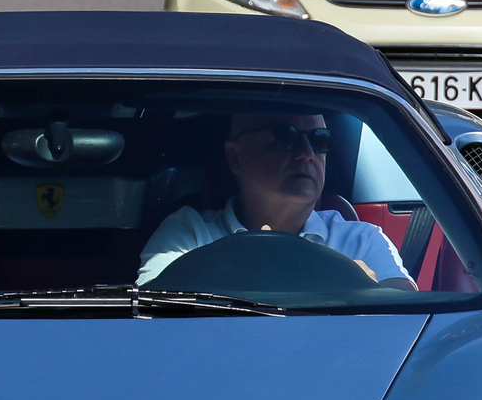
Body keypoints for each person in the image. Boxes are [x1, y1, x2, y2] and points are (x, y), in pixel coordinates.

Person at [136, 112, 412, 288]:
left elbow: (406, 311)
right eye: (286, 137)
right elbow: (153, 314)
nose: (306, 153)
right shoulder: (189, 233)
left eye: (320, 140)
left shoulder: (361, 239)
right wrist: (341, 281)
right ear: (235, 157)